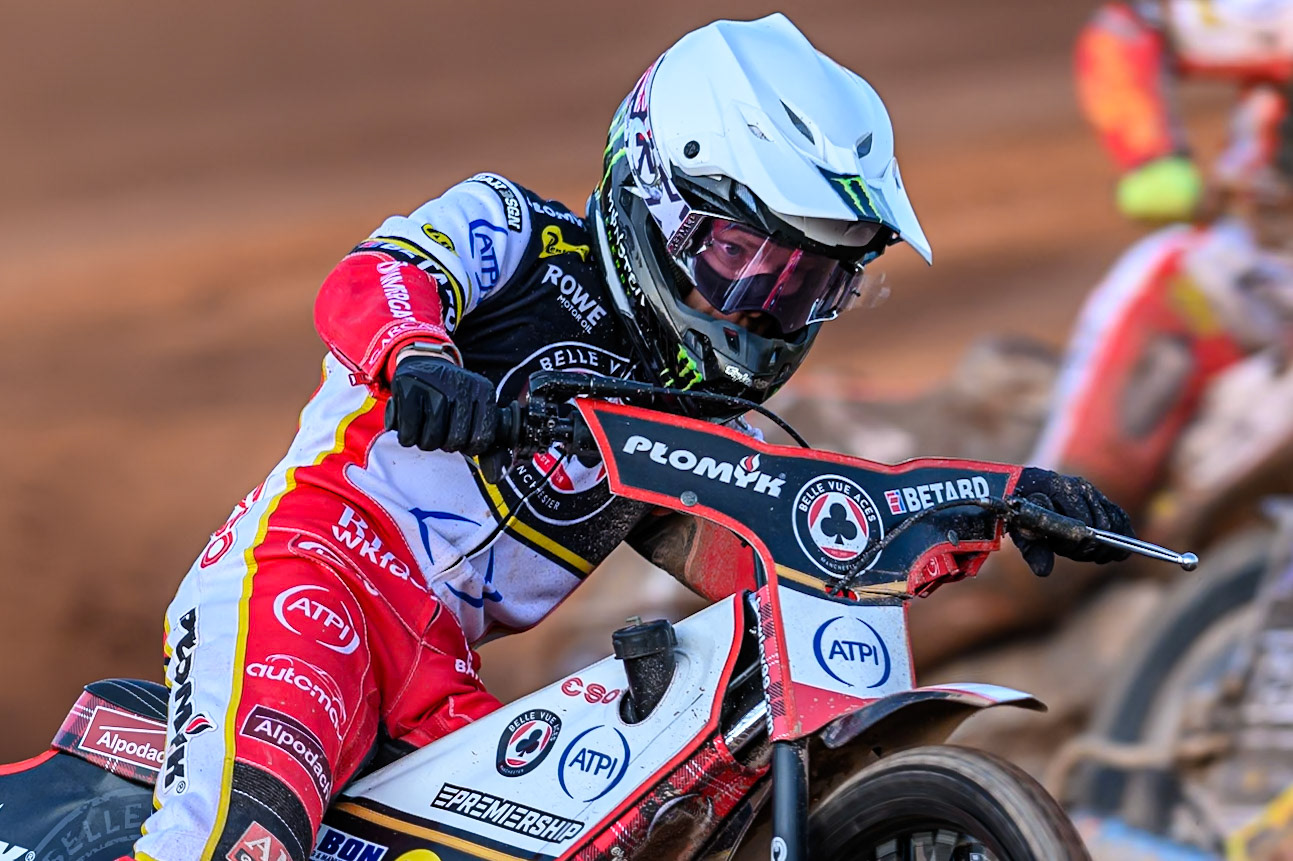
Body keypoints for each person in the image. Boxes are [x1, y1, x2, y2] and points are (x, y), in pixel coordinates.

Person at [131, 14, 1131, 859]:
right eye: (744, 256)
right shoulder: (511, 231)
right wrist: (421, 362)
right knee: (247, 839)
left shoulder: (690, 414)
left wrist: (992, 506)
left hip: (440, 671)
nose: (763, 306)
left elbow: (777, 539)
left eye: (809, 283)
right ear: (654, 189)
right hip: (311, 578)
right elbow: (370, 279)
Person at [909, 0, 1293, 667]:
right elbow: (1133, 26)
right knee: (1056, 544)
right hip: (1224, 295)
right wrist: (1152, 157)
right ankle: (818, 704)